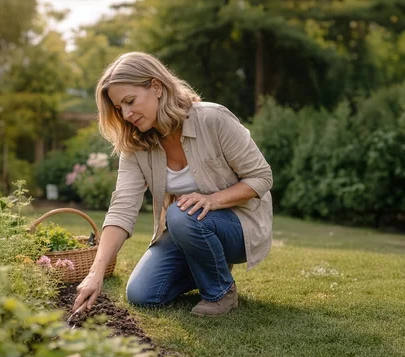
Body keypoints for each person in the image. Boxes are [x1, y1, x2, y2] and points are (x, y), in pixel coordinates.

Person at [72, 52, 273, 316]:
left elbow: (261, 177)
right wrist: (95, 274)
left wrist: (213, 200)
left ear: (156, 87)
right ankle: (208, 264)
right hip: (187, 228)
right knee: (142, 294)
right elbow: (122, 208)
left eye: (130, 101)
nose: (127, 114)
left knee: (180, 213)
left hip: (238, 226)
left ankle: (221, 293)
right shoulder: (136, 144)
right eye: (119, 108)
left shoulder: (212, 119)